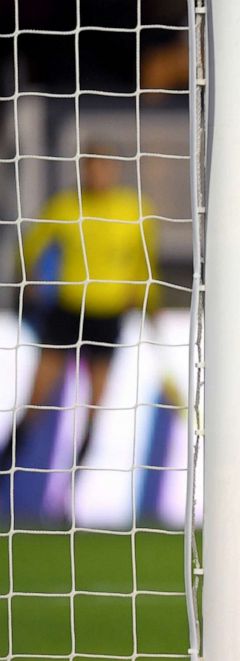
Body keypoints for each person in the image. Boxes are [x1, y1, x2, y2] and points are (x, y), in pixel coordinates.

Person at [2, 143, 157, 485]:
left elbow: (145, 262)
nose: (99, 174)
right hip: (68, 310)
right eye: (93, 167)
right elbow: (30, 245)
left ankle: (72, 489)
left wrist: (148, 301)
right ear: (83, 169)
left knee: (95, 406)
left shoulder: (135, 210)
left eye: (105, 167)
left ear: (116, 170)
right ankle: (6, 469)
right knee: (38, 399)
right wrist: (28, 279)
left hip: (108, 314)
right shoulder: (65, 206)